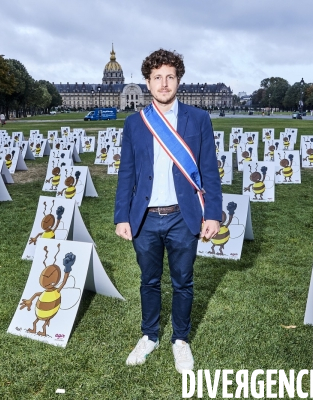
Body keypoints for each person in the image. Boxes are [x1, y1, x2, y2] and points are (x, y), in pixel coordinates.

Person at [114, 49, 222, 373]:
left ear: (178, 80)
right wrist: (122, 216)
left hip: (182, 215)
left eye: (170, 77)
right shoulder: (135, 123)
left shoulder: (199, 119)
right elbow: (127, 173)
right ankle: (150, 335)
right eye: (157, 77)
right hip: (144, 217)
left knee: (183, 282)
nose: (164, 83)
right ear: (148, 82)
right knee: (148, 281)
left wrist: (213, 213)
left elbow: (209, 171)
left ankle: (181, 340)